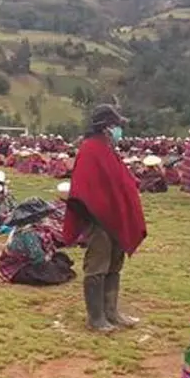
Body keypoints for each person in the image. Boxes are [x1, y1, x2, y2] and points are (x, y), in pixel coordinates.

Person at [63, 104, 147, 332]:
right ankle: (96, 318)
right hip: (98, 220)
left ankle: (112, 312)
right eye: (117, 126)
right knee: (97, 267)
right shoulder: (90, 149)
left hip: (116, 219)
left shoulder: (109, 149)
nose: (120, 130)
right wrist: (97, 216)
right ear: (107, 127)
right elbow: (84, 188)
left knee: (114, 266)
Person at [0, 198, 77, 286]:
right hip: (19, 266)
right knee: (49, 271)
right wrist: (48, 259)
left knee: (61, 257)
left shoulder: (34, 228)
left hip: (30, 260)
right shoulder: (28, 233)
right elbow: (37, 257)